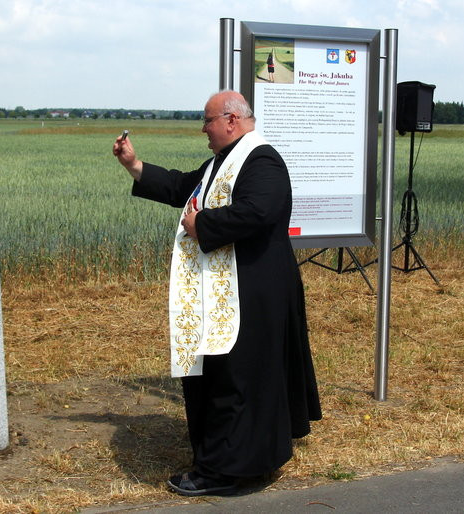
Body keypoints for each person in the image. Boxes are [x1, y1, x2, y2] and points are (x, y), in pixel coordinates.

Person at [112, 90, 321, 497]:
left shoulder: (262, 160)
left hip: (253, 291)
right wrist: (133, 165)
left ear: (231, 120)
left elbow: (260, 210)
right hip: (230, 289)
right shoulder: (221, 162)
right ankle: (235, 459)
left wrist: (202, 225)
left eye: (207, 121)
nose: (203, 129)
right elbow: (180, 187)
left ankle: (229, 472)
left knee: (237, 378)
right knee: (225, 374)